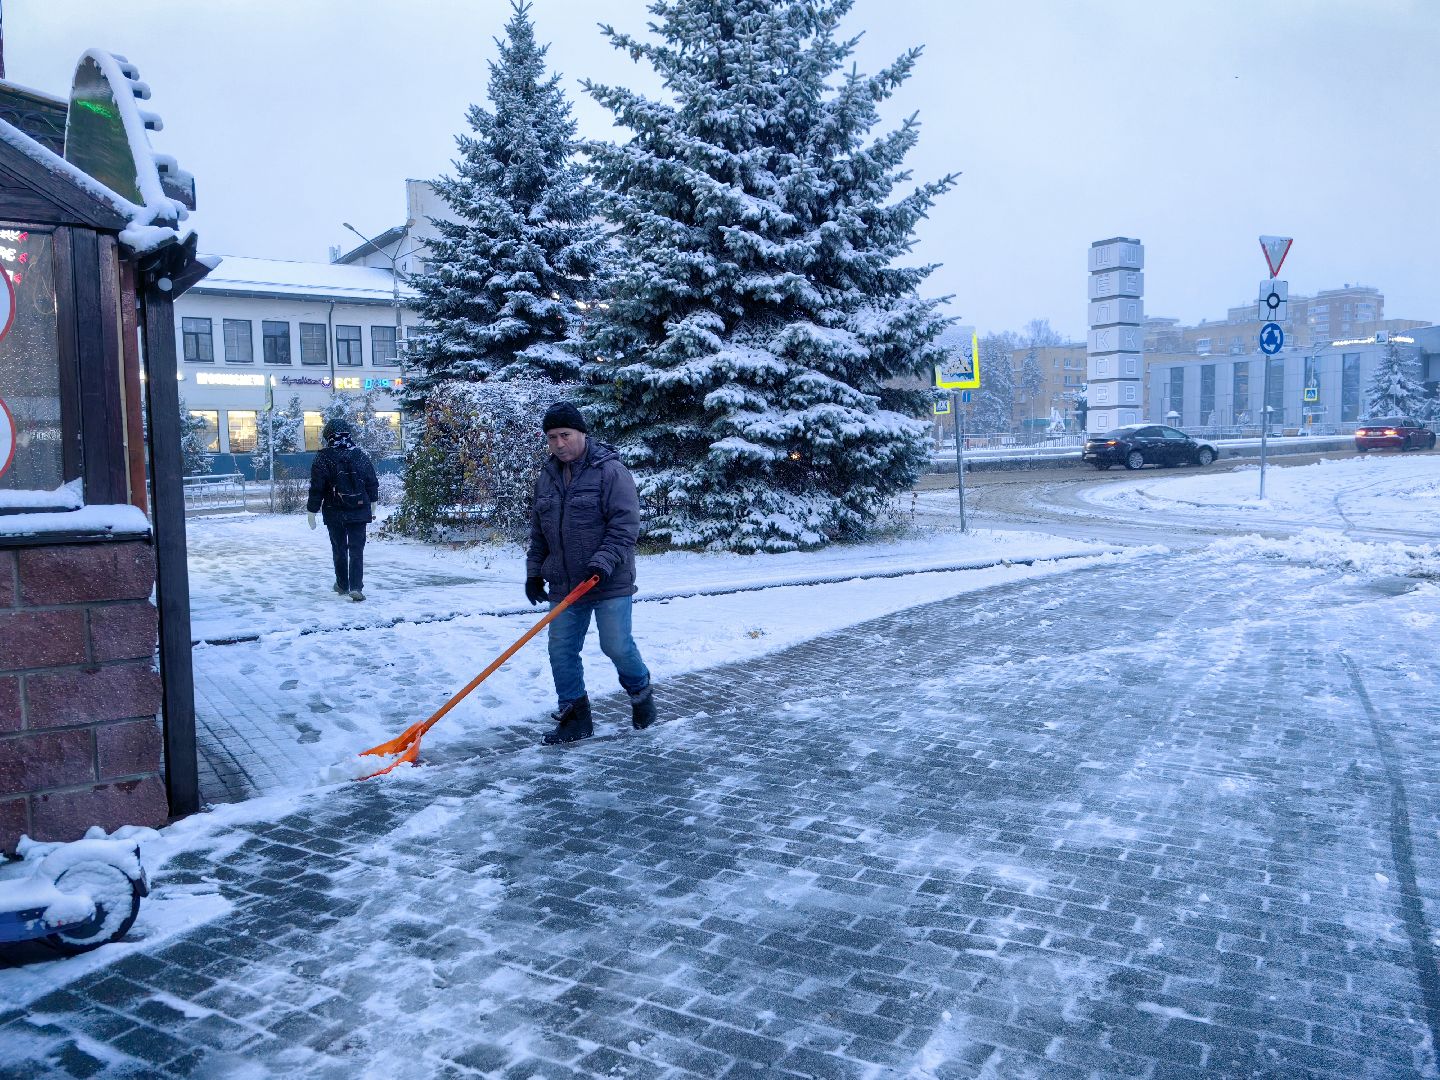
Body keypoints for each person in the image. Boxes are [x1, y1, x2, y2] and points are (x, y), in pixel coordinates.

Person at [526, 401, 656, 744]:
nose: (558, 443)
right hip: (565, 584)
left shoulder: (610, 472)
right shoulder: (547, 477)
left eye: (565, 435)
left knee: (615, 645)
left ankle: (640, 691)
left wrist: (603, 562)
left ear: (582, 433)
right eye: (552, 437)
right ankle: (574, 718)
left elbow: (625, 526)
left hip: (608, 579)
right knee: (561, 650)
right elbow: (539, 532)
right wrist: (534, 573)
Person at [307, 417, 379, 602]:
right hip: (359, 509)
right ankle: (356, 587)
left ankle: (342, 584)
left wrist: (312, 511)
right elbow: (371, 480)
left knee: (339, 548)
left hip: (334, 510)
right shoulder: (360, 455)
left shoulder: (323, 457)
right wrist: (373, 502)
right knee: (357, 550)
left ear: (328, 435)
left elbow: (317, 487)